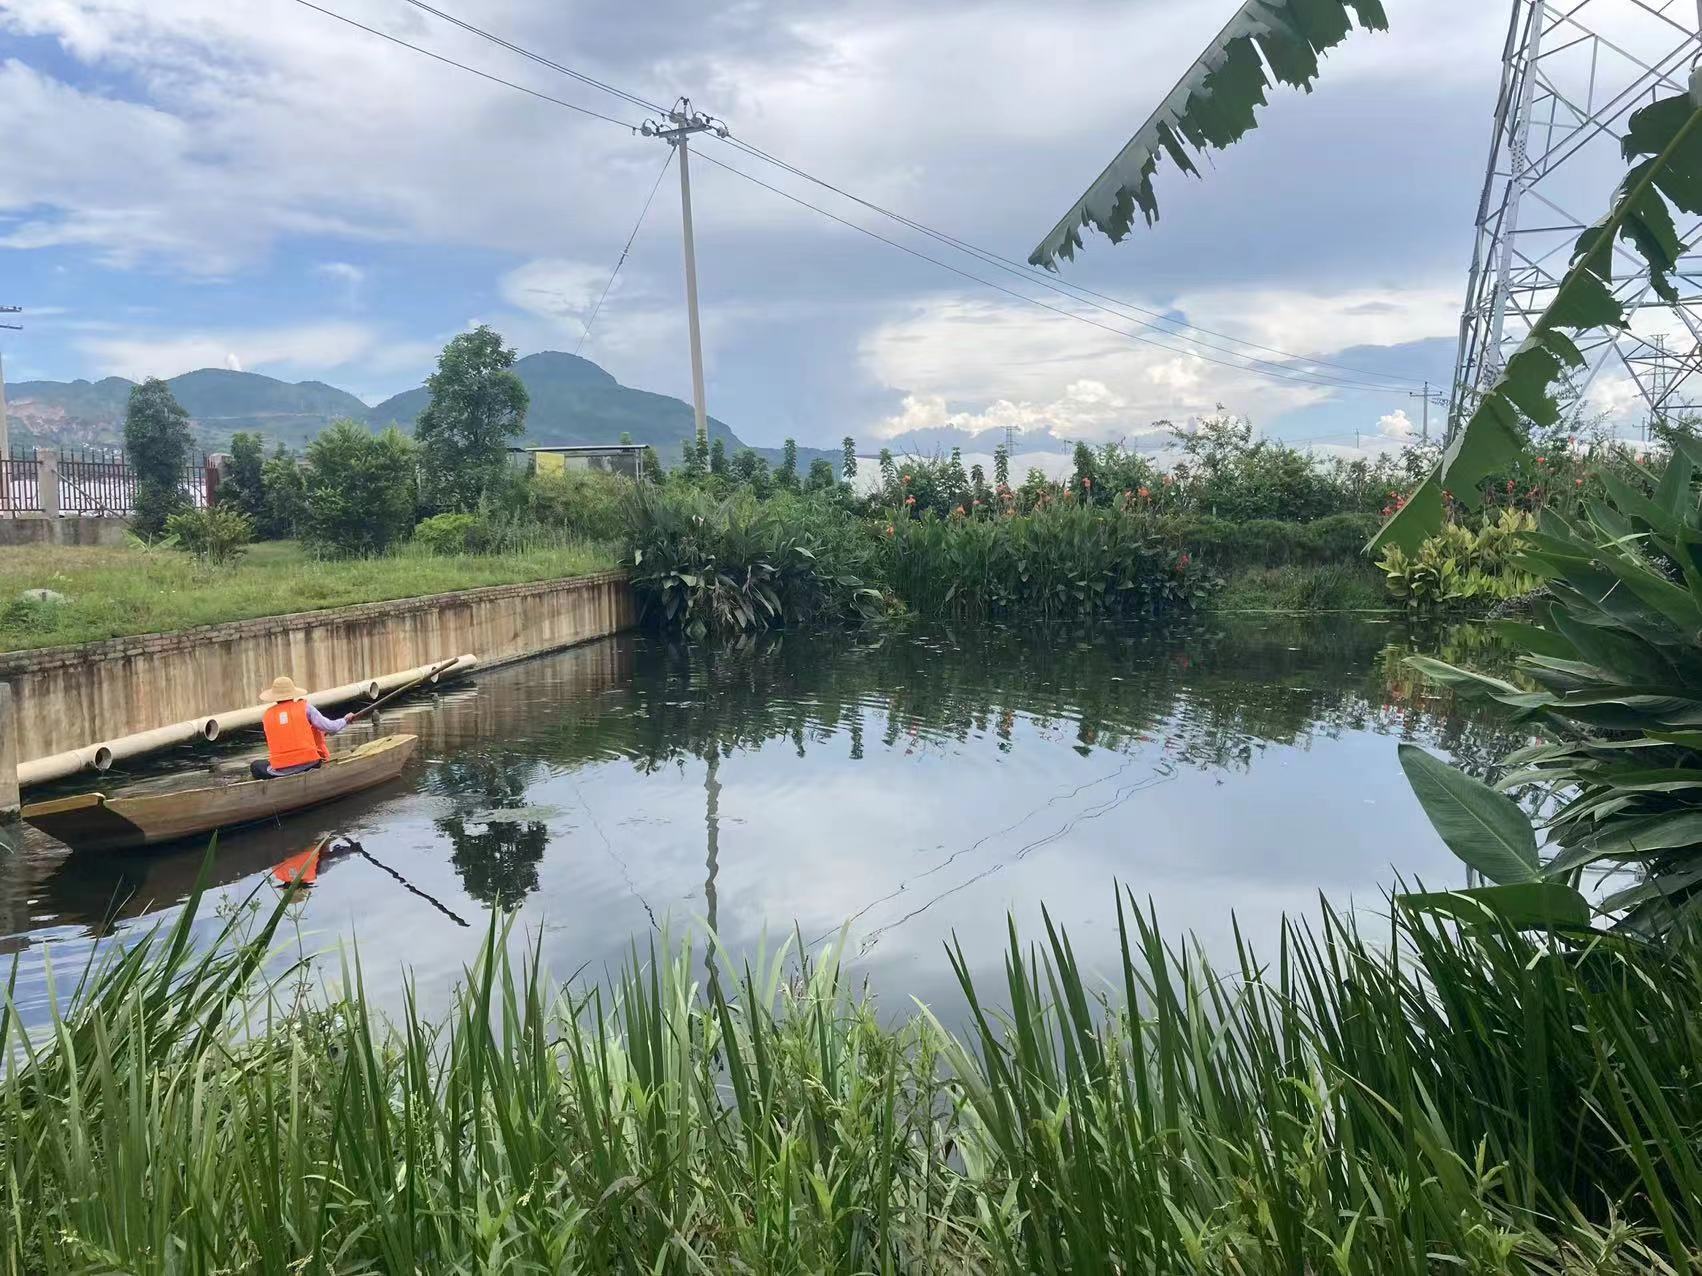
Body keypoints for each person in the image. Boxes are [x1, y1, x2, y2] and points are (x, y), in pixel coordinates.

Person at [251, 675, 354, 779]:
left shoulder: (267, 716)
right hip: (310, 763)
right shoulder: (305, 708)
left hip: (282, 768)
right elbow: (330, 727)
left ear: (274, 697)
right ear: (292, 694)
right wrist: (345, 720)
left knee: (255, 766)